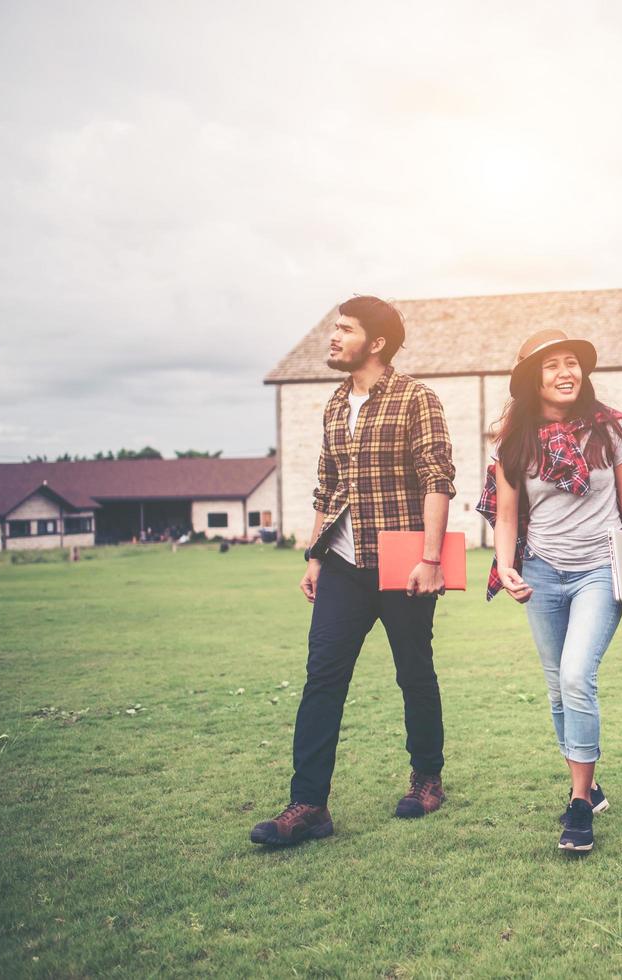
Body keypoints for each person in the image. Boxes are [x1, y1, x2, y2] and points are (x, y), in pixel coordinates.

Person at [251, 295, 456, 847]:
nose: (334, 338)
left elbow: (437, 479)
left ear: (378, 342)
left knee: (413, 671)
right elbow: (329, 485)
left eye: (344, 329)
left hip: (402, 557)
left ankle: (427, 778)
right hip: (343, 561)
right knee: (322, 678)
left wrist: (430, 559)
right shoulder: (335, 404)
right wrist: (316, 555)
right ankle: (309, 805)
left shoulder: (418, 399)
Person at [477, 329, 622, 853]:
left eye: (571, 362)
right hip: (543, 571)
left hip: (600, 569)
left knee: (577, 674)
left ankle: (578, 806)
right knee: (557, 687)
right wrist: (506, 566)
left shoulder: (612, 430)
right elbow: (507, 513)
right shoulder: (516, 438)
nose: (565, 372)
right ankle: (589, 786)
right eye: (551, 366)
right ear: (534, 380)